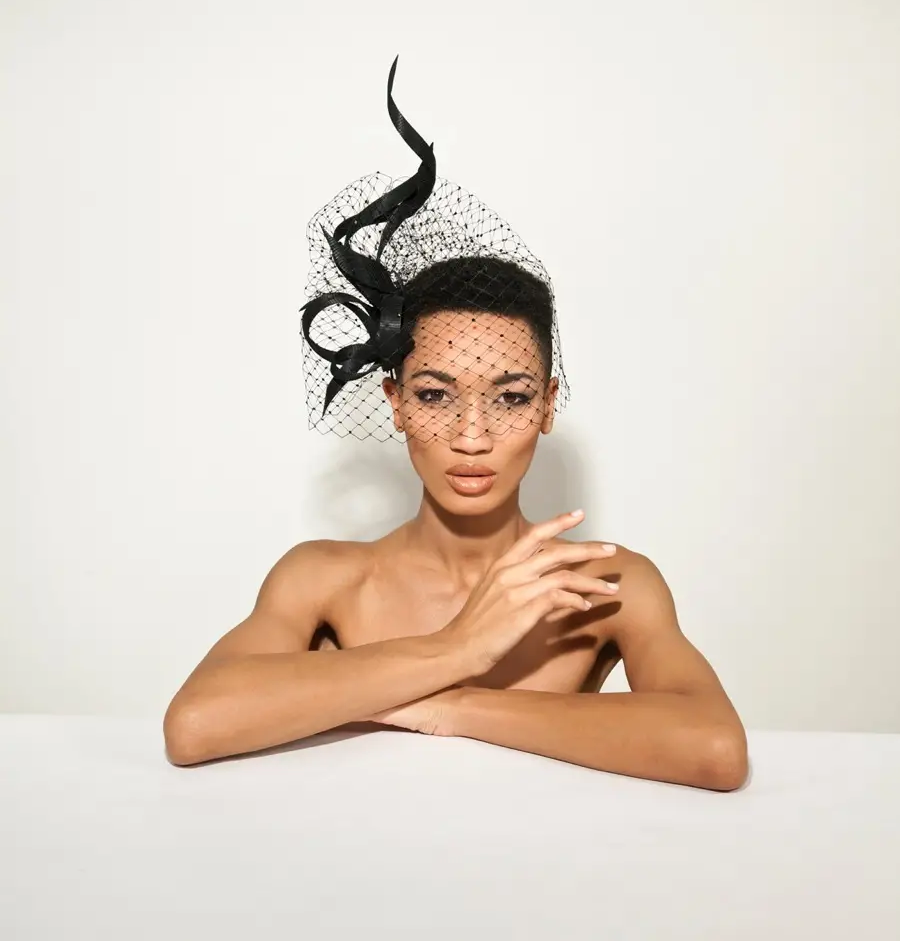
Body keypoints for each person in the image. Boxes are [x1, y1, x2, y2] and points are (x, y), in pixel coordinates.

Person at [163, 59, 748, 790]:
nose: (472, 437)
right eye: (437, 395)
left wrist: (455, 705)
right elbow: (194, 726)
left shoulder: (608, 584)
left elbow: (715, 751)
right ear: (395, 402)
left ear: (548, 405)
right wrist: (458, 647)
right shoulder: (322, 579)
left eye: (510, 398)